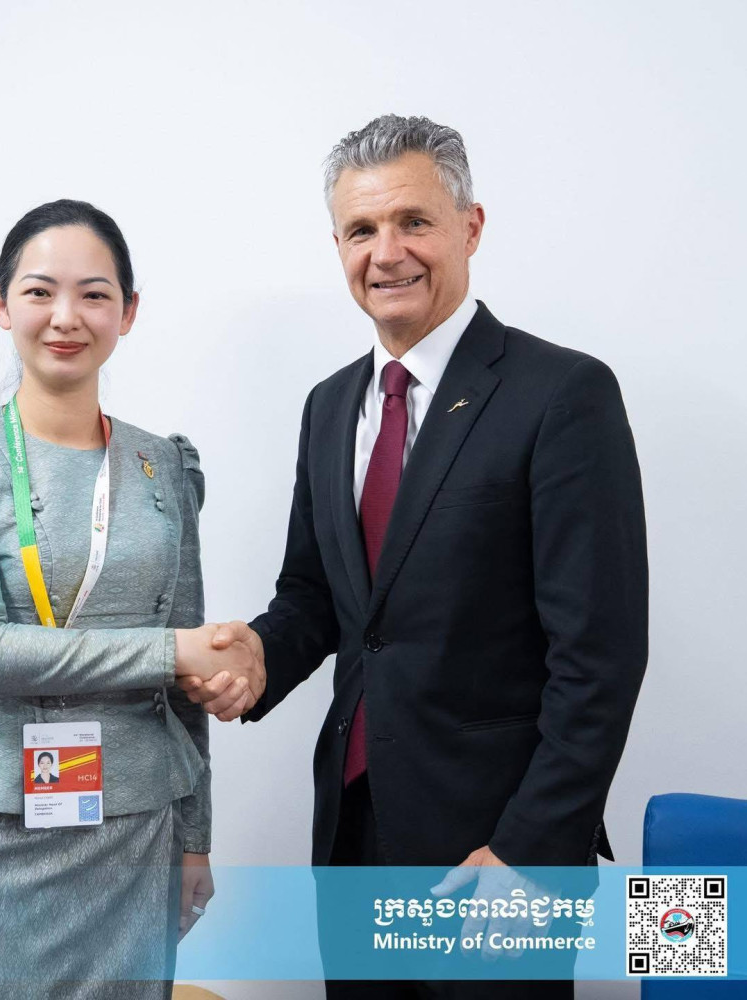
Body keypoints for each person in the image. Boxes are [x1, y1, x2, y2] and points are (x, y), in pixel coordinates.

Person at [183, 115, 649, 999]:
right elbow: (317, 596)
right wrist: (256, 655)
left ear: (471, 227)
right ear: (338, 247)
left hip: (497, 850)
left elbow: (600, 660)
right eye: (361, 230)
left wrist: (530, 848)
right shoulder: (329, 406)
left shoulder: (563, 394)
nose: (387, 252)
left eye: (414, 222)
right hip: (354, 834)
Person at [0, 199, 262, 999]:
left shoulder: (164, 465)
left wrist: (195, 837)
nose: (66, 317)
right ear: (2, 304)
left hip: (135, 834)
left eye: (95, 294)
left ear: (128, 312)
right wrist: (172, 651)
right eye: (39, 292)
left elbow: (188, 687)